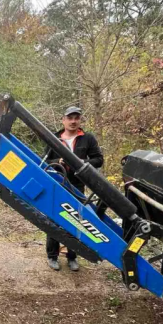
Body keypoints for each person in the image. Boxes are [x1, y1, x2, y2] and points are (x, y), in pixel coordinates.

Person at [46, 106, 104, 272]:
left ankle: (72, 257)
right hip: (57, 183)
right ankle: (52, 256)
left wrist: (81, 162)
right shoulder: (53, 138)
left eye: (76, 118)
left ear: (80, 120)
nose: (73, 121)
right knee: (54, 219)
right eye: (70, 118)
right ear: (63, 120)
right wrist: (59, 161)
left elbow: (99, 160)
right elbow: (45, 161)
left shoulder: (88, 139)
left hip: (78, 185)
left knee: (76, 220)